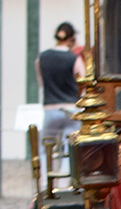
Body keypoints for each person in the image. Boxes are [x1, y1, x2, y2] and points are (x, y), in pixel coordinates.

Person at [35, 21, 85, 173]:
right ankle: (65, 182)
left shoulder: (42, 58)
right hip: (71, 107)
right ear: (72, 38)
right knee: (68, 148)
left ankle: (44, 182)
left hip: (50, 107)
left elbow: (41, 82)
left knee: (45, 147)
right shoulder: (73, 58)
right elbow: (82, 80)